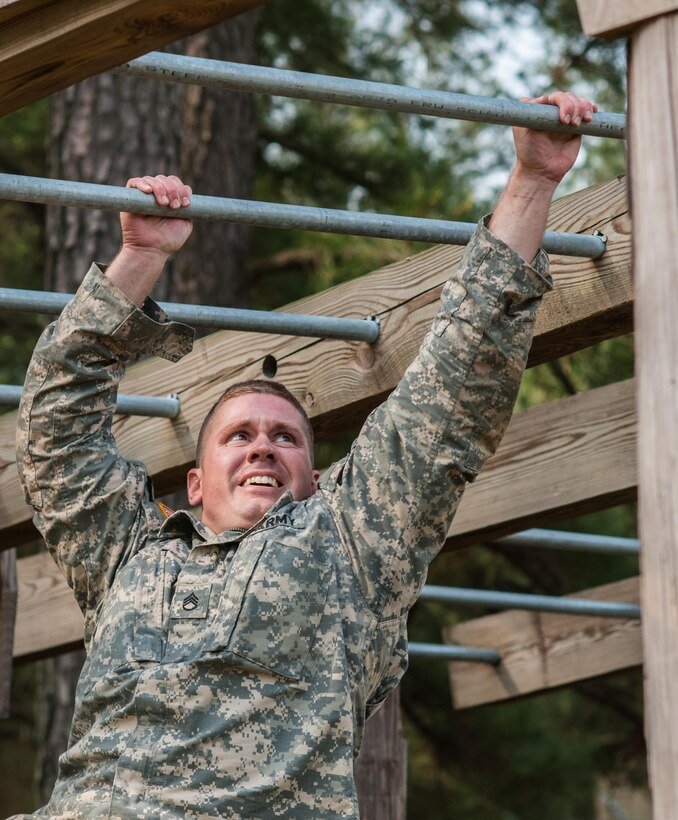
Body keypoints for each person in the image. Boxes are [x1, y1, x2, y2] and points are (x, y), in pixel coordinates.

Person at [14, 91, 596, 819]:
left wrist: (531, 182)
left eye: (285, 437)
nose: (263, 445)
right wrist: (139, 256)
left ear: (314, 479)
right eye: (240, 435)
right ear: (193, 483)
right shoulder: (127, 556)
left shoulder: (348, 544)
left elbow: (456, 386)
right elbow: (54, 433)